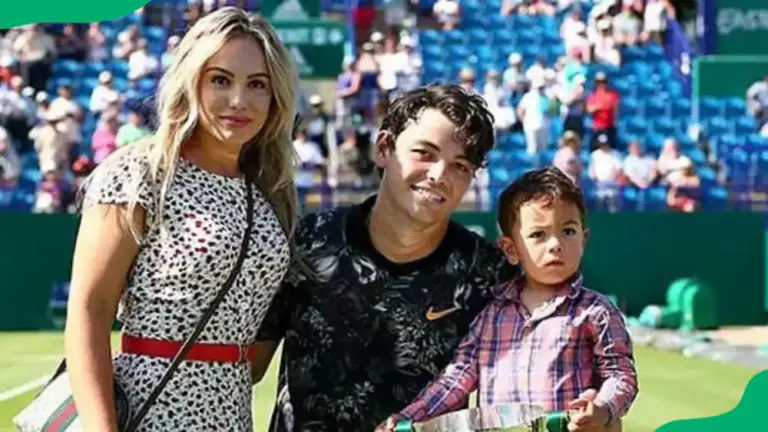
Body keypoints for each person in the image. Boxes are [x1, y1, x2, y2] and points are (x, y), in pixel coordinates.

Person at [63, 7, 299, 431]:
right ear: (191, 81)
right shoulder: (141, 172)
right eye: (221, 80)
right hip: (151, 410)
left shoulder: (269, 191)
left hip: (231, 415)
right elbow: (90, 310)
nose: (239, 100)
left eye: (257, 84)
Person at [253, 84, 520, 431]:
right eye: (424, 153)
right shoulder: (309, 240)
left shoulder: (489, 272)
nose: (439, 175)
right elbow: (246, 366)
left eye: (460, 166)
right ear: (383, 148)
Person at [381, 167, 638, 432]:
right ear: (511, 250)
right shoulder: (490, 315)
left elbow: (620, 375)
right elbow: (456, 378)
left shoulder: (595, 311)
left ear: (584, 240)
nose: (556, 244)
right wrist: (409, 417)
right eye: (539, 235)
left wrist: (603, 409)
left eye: (568, 231)